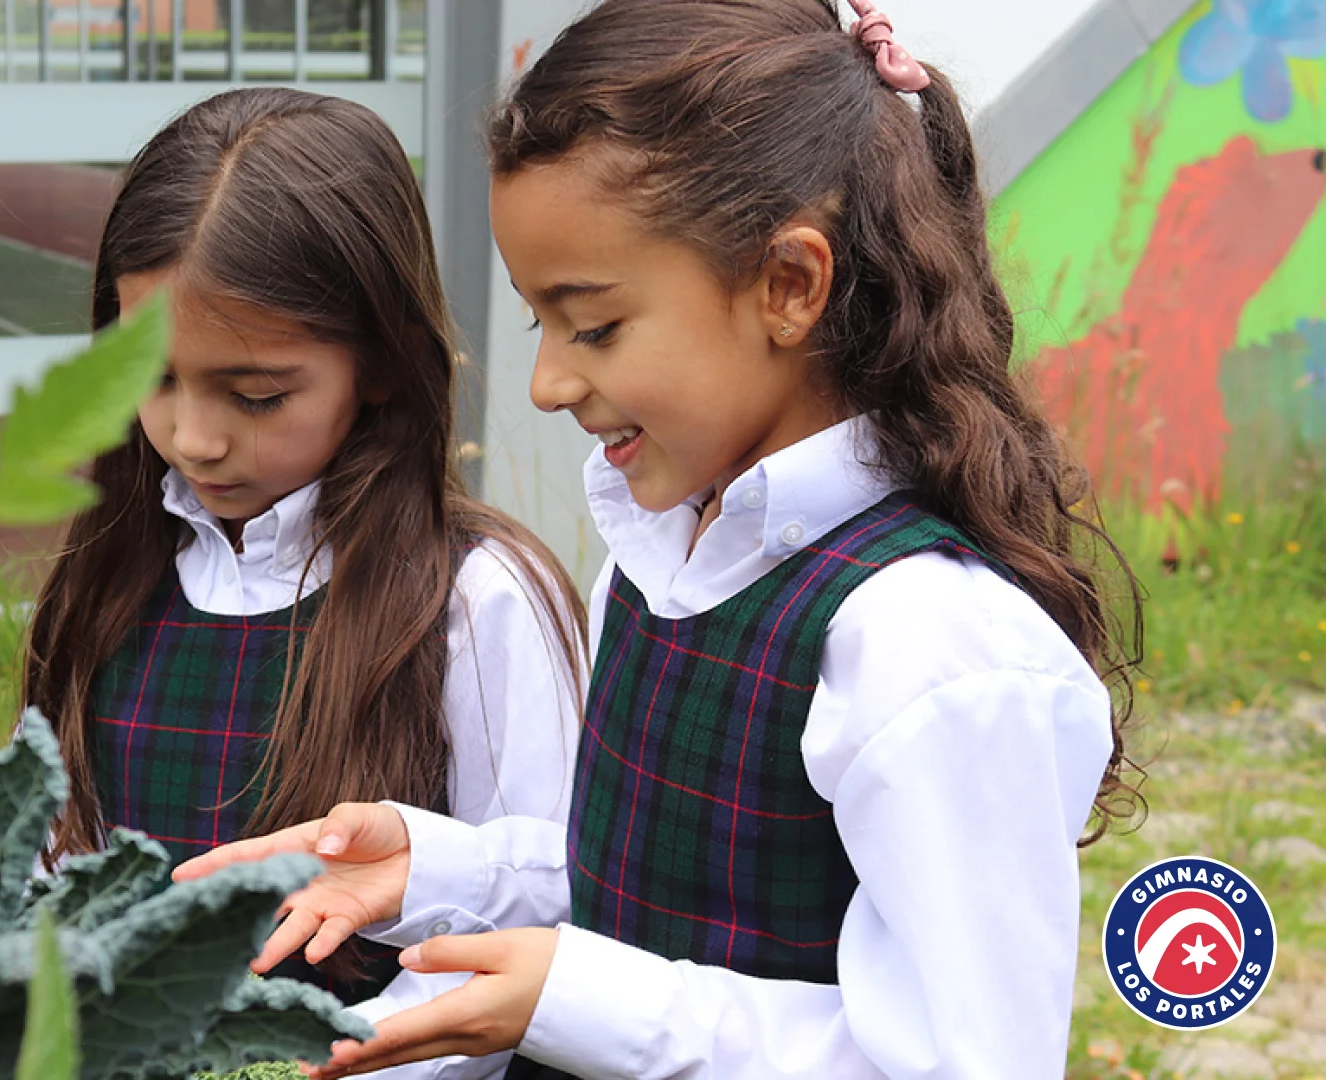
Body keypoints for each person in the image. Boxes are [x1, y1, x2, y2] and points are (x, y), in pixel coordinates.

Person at [173, 3, 1144, 1076]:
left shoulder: (927, 649)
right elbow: (651, 882)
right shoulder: (661, 553)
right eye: (538, 321)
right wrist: (438, 869)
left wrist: (582, 998)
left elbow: (959, 1061)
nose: (546, 382)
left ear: (789, 285)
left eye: (592, 325)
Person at [23, 86, 589, 1077]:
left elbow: (535, 913)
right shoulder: (102, 582)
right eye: (149, 378)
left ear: (380, 360)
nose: (193, 438)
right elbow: (47, 868)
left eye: (255, 393)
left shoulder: (477, 600)